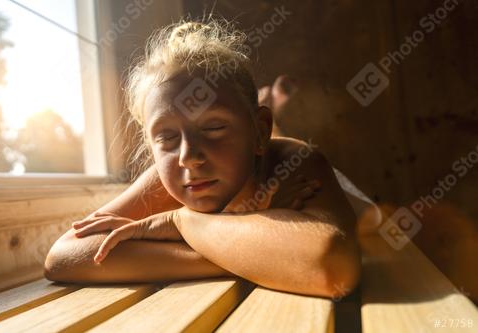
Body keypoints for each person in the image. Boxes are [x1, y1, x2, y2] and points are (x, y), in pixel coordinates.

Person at [44, 20, 360, 298]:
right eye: (166, 137)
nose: (188, 157)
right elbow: (64, 256)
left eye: (213, 127)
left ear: (261, 132)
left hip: (352, 200)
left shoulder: (296, 162)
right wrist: (258, 255)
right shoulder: (168, 176)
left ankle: (281, 121)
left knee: (374, 221)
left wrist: (181, 221)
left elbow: (333, 268)